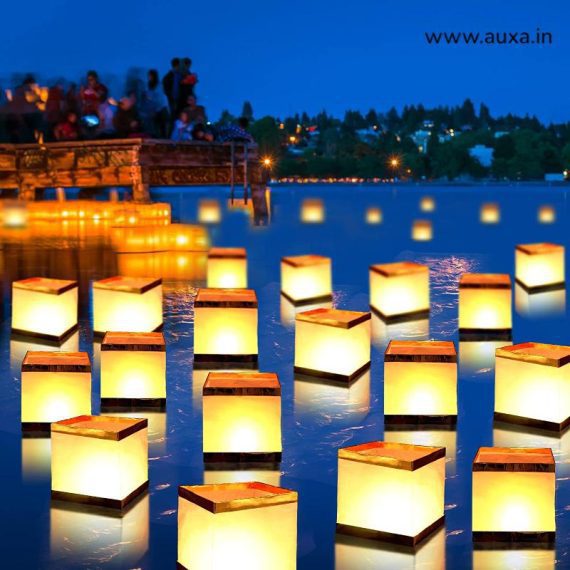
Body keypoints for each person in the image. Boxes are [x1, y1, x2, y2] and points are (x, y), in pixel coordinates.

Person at [141, 69, 169, 138]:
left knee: (163, 128)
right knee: (154, 128)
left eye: (151, 76)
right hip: (153, 110)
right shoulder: (148, 86)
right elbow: (147, 98)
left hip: (161, 109)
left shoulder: (159, 86)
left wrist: (155, 108)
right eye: (149, 76)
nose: (149, 77)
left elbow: (159, 99)